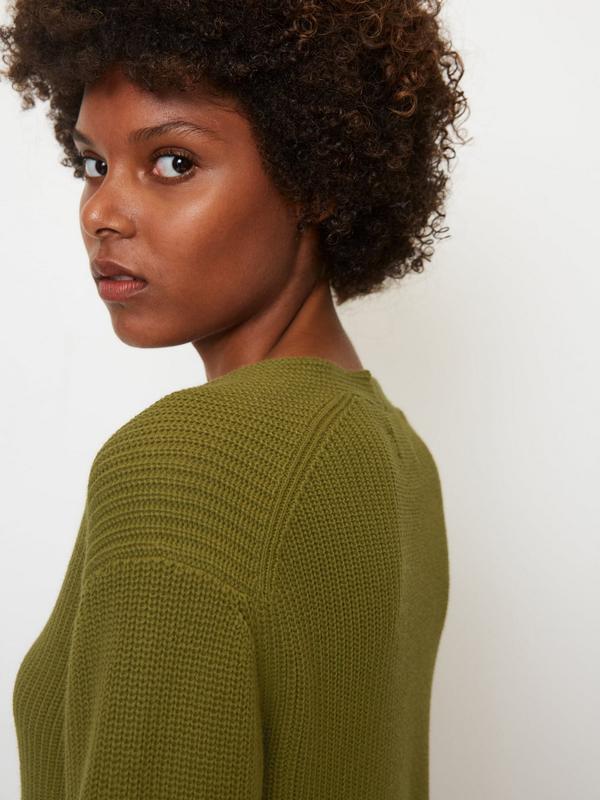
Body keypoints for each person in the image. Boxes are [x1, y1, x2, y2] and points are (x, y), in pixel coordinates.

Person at [1, 1, 468, 797]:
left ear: (315, 180)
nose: (101, 213)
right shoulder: (398, 457)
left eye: (173, 161)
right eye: (94, 163)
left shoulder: (185, 470)